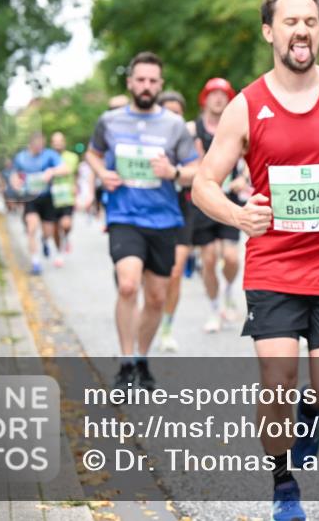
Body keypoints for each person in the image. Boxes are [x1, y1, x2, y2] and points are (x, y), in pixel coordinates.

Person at [192, 0, 319, 521]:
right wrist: (238, 215)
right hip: (274, 266)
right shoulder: (246, 105)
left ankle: (314, 410)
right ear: (269, 31)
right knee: (275, 379)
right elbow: (204, 183)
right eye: (290, 21)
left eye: (310, 21)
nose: (301, 30)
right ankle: (283, 483)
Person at [85, 52, 199, 394]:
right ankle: (124, 363)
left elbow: (197, 170)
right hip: (124, 216)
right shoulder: (110, 121)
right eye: (141, 80)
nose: (146, 86)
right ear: (130, 82)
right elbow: (92, 152)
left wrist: (174, 172)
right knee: (128, 285)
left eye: (153, 81)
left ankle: (141, 358)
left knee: (156, 297)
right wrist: (102, 172)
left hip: (164, 219)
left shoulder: (175, 126)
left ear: (160, 85)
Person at [190, 77, 246, 332]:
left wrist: (242, 179)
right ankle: (214, 309)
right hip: (203, 202)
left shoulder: (237, 126)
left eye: (224, 94)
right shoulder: (193, 129)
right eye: (213, 93)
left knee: (232, 258)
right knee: (209, 260)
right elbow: (185, 164)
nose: (218, 98)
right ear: (205, 98)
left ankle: (229, 292)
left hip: (230, 200)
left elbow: (250, 162)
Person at [155, 91, 197, 353]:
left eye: (178, 113)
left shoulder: (187, 143)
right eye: (168, 112)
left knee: (175, 272)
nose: (173, 118)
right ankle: (150, 314)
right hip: (151, 210)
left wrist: (176, 172)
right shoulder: (147, 140)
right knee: (152, 279)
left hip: (182, 208)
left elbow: (200, 172)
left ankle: (167, 328)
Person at [10, 132, 67, 274]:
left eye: (42, 144)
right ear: (31, 143)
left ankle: (44, 240)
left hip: (47, 198)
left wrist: (52, 171)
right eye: (37, 144)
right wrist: (15, 183)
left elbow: (65, 168)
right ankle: (35, 262)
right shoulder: (21, 157)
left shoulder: (49, 155)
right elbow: (14, 174)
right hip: (31, 198)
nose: (40, 147)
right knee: (31, 228)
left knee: (48, 231)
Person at [49, 132, 79, 256]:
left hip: (67, 197)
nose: (58, 144)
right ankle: (59, 251)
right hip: (52, 198)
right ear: (51, 144)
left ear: (64, 142)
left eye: (60, 141)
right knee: (55, 229)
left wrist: (50, 171)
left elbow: (67, 170)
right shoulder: (47, 157)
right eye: (55, 142)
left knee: (66, 224)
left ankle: (66, 237)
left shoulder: (72, 157)